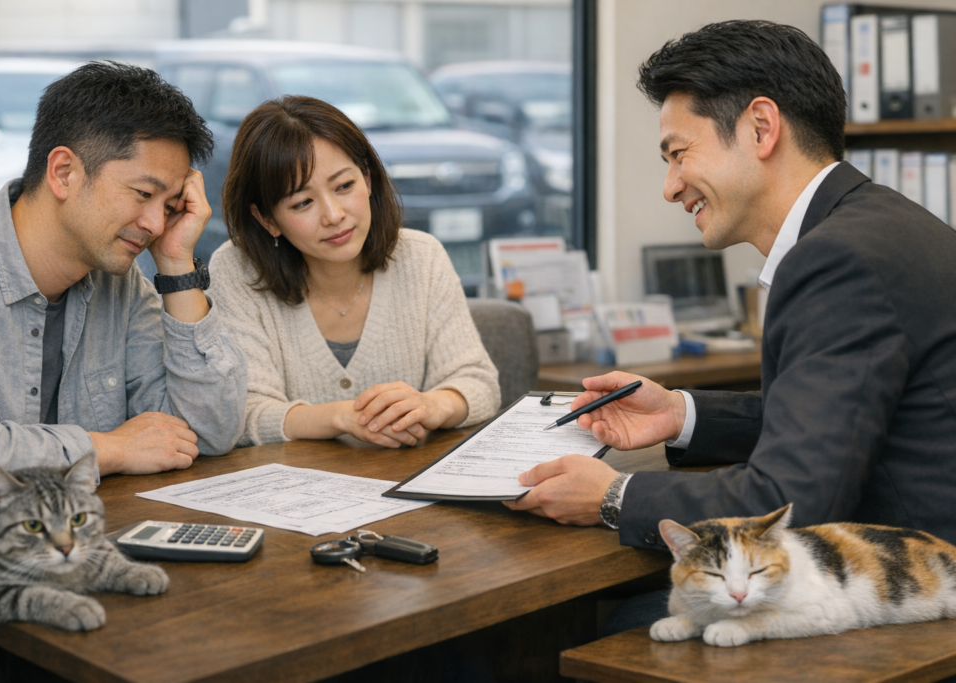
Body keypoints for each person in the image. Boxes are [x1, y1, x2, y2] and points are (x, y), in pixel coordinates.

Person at [505, 20, 956, 550]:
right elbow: (836, 420)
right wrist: (680, 414)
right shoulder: (884, 223)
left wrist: (614, 496)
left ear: (761, 128)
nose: (671, 188)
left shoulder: (837, 260)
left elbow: (790, 502)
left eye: (679, 154)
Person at [0, 61, 248, 486]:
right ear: (64, 172)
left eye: (170, 206)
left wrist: (177, 265)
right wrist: (112, 448)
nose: (156, 225)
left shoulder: (119, 281)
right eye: (144, 194)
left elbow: (207, 432)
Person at [209, 96, 500, 447]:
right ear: (267, 219)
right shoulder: (236, 271)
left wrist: (435, 405)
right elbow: (242, 413)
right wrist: (340, 417)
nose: (334, 215)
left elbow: (477, 382)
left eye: (344, 186)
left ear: (368, 177)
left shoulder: (421, 257)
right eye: (303, 203)